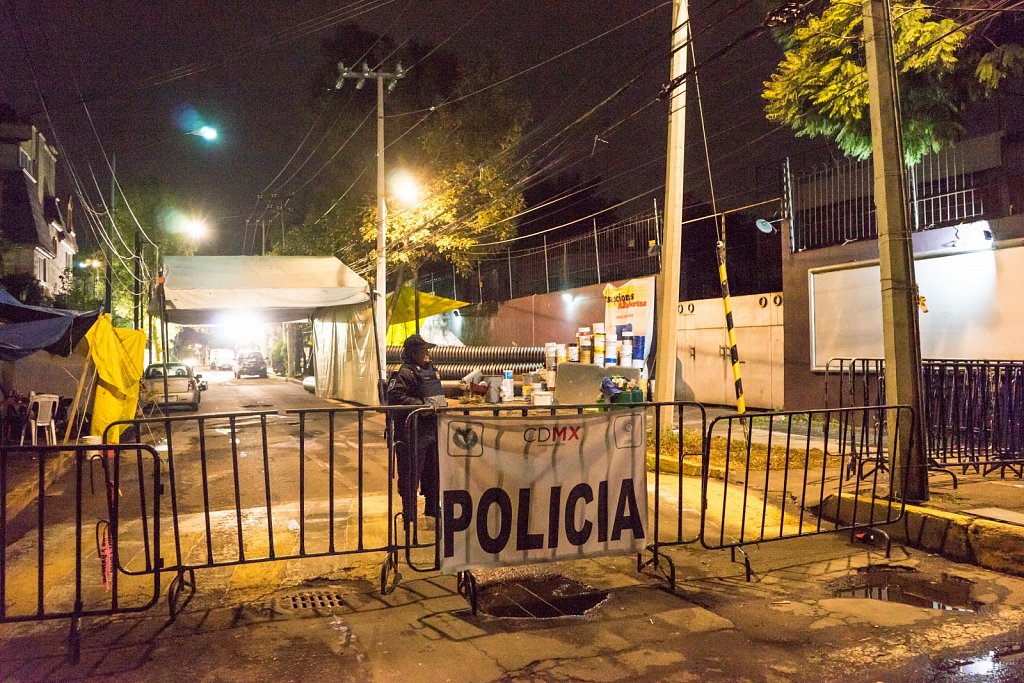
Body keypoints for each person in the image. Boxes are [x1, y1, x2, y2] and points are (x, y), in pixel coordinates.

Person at [386, 334, 446, 527]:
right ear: (412, 353)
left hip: (431, 430)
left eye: (427, 350)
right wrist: (421, 406)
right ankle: (409, 513)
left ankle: (431, 508)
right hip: (411, 433)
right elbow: (394, 395)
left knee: (433, 472)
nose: (427, 354)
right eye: (423, 350)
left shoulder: (430, 370)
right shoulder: (403, 373)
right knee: (411, 474)